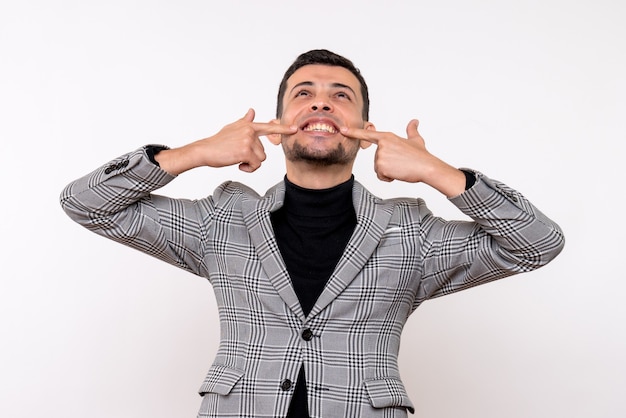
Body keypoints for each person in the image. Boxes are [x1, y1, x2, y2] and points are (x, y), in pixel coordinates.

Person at [60, 49, 565, 418]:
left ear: (365, 128)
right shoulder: (223, 219)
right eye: (305, 94)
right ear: (280, 123)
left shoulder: (411, 232)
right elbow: (86, 204)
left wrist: (439, 173)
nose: (321, 106)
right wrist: (191, 153)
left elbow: (538, 244)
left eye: (340, 97)